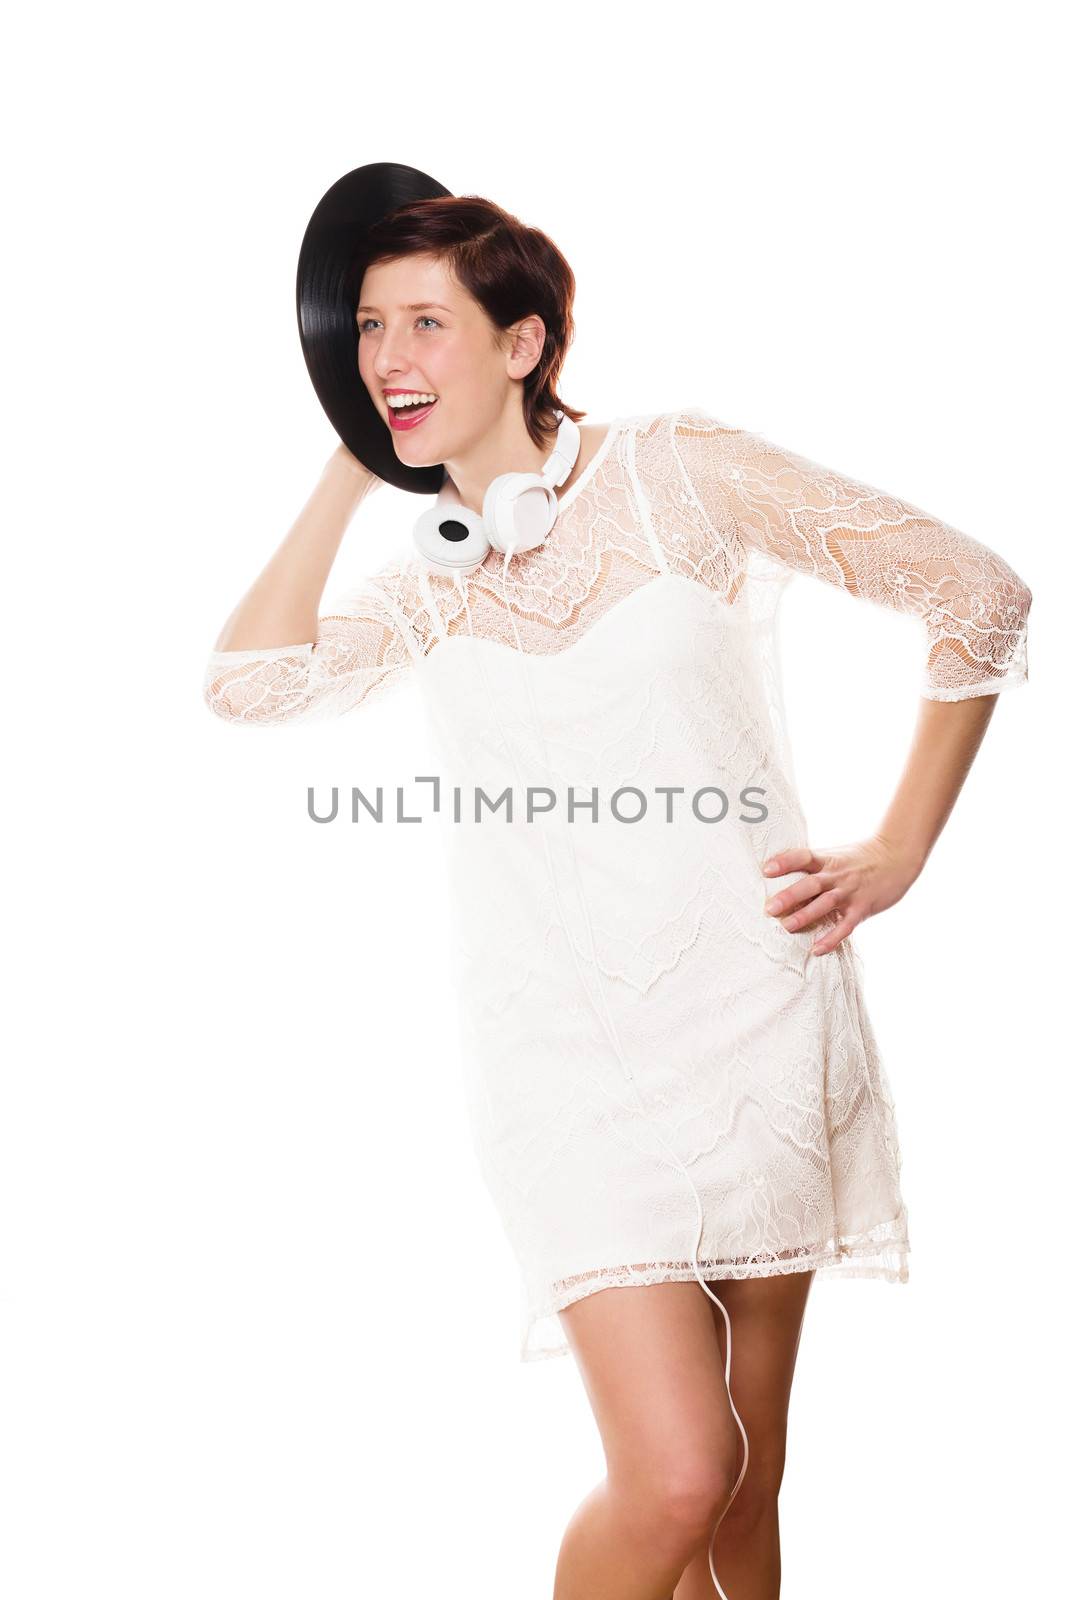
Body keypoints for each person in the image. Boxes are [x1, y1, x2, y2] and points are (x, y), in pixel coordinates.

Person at [202, 195, 1032, 1600]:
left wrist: (902, 847)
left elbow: (979, 595)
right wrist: (357, 466)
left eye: (424, 324)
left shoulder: (680, 474)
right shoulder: (432, 591)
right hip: (569, 1073)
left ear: (522, 341)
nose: (386, 354)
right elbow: (247, 683)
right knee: (677, 1475)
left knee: (746, 1489)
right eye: (369, 332)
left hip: (761, 1023)